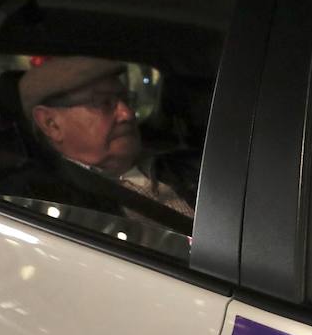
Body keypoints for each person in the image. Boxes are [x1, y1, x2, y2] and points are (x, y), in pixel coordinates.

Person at [16, 55, 198, 220]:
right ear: (51, 124)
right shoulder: (43, 203)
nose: (127, 113)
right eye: (104, 103)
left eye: (127, 99)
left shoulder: (183, 165)